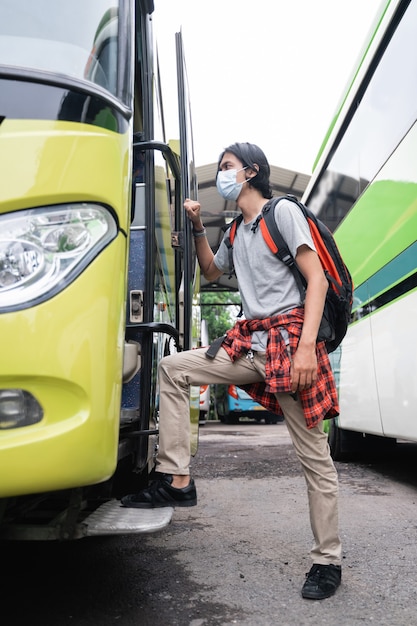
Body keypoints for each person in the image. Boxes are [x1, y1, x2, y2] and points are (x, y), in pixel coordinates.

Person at [121, 142, 342, 600]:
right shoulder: (237, 231)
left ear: (251, 172)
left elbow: (316, 278)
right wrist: (200, 227)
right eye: (220, 168)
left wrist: (305, 351)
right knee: (173, 368)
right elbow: (210, 267)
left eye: (227, 167)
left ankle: (327, 560)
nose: (222, 175)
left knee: (314, 459)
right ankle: (177, 479)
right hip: (249, 346)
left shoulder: (281, 213)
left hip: (288, 345)